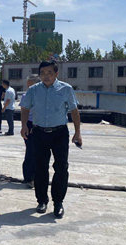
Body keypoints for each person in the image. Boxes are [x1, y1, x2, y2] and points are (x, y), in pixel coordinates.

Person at [20, 60, 82, 218]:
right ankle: (42, 201)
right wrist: (24, 125)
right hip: (39, 133)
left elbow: (74, 111)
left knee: (61, 167)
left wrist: (77, 132)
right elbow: (25, 108)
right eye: (43, 73)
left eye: (49, 73)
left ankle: (58, 202)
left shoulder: (66, 89)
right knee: (40, 168)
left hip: (59, 133)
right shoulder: (33, 90)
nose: (46, 76)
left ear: (56, 73)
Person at [20, 74, 41, 187]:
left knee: (40, 152)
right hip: (29, 124)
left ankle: (38, 176)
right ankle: (29, 177)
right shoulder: (25, 96)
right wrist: (24, 126)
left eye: (31, 86)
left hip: (41, 125)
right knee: (30, 151)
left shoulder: (44, 95)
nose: (29, 88)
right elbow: (23, 111)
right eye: (28, 86)